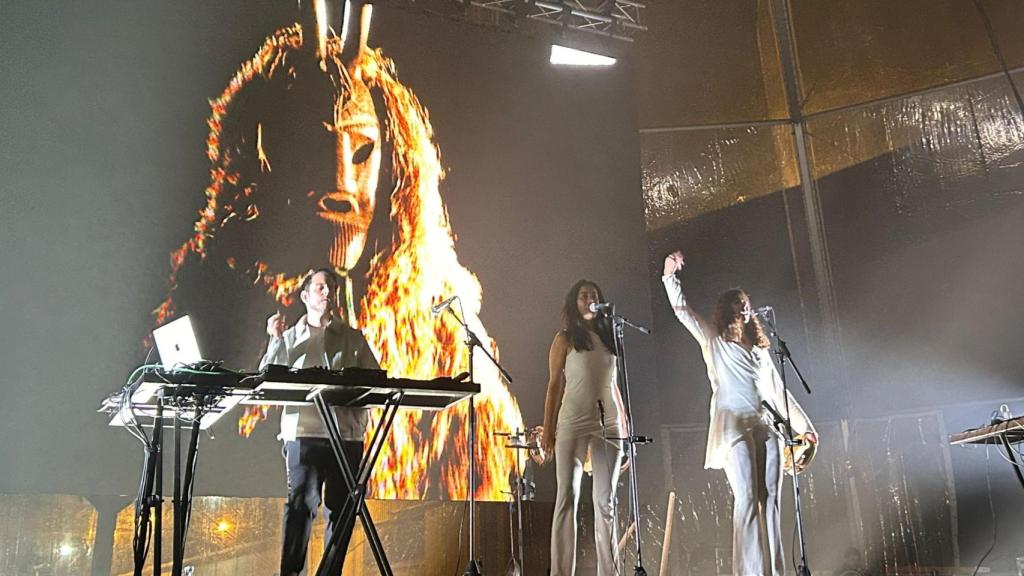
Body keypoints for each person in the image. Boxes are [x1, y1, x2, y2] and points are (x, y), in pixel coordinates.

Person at [661, 250, 817, 576]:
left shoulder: (760, 352)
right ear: (727, 310)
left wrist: (807, 429)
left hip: (766, 426)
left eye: (746, 303)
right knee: (747, 497)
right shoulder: (714, 343)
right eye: (738, 303)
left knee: (771, 501)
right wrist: (669, 276)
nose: (744, 307)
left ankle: (774, 572)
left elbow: (779, 392)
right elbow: (683, 313)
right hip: (733, 425)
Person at [259, 268, 380, 576]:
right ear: (305, 296)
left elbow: (375, 381)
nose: (328, 293)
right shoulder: (288, 338)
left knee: (342, 512)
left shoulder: (352, 338)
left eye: (332, 288)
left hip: (345, 436)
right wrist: (274, 340)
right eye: (321, 287)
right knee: (300, 508)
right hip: (303, 433)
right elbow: (269, 380)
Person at [542, 279, 626, 576]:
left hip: (610, 423)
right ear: (574, 303)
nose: (589, 298)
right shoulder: (565, 339)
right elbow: (554, 386)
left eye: (594, 294)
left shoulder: (611, 336)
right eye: (583, 295)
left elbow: (614, 386)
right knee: (567, 495)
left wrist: (625, 432)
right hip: (573, 421)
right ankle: (561, 572)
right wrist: (548, 430)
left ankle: (610, 571)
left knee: (606, 500)